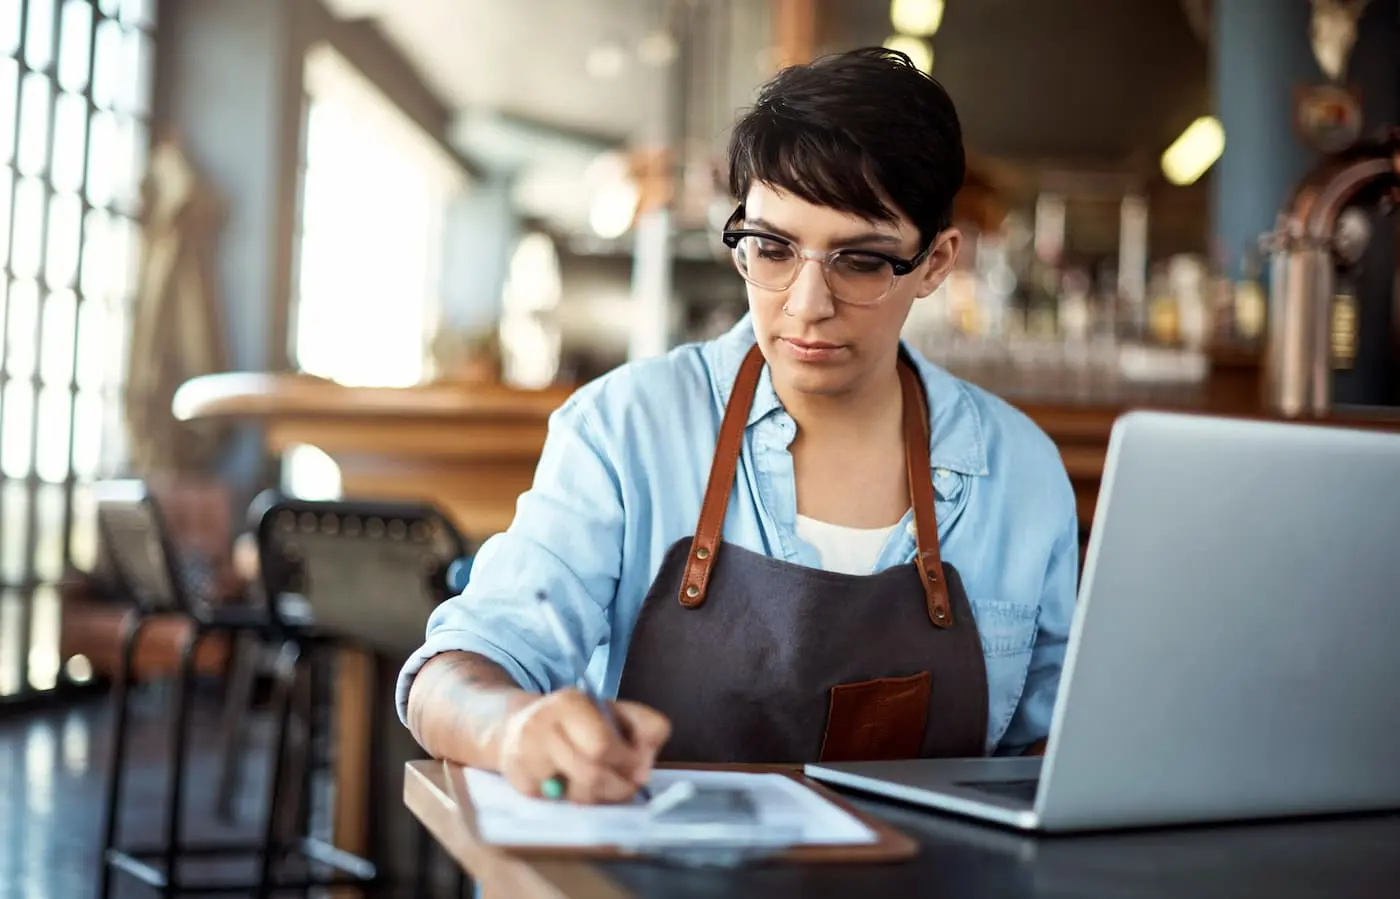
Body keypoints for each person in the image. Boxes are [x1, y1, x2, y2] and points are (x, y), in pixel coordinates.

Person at [398, 47, 1078, 805]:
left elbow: (1052, 749)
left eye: (860, 260)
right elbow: (452, 672)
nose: (806, 303)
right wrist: (514, 728)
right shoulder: (626, 429)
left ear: (937, 262)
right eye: (772, 248)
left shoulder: (1019, 472)